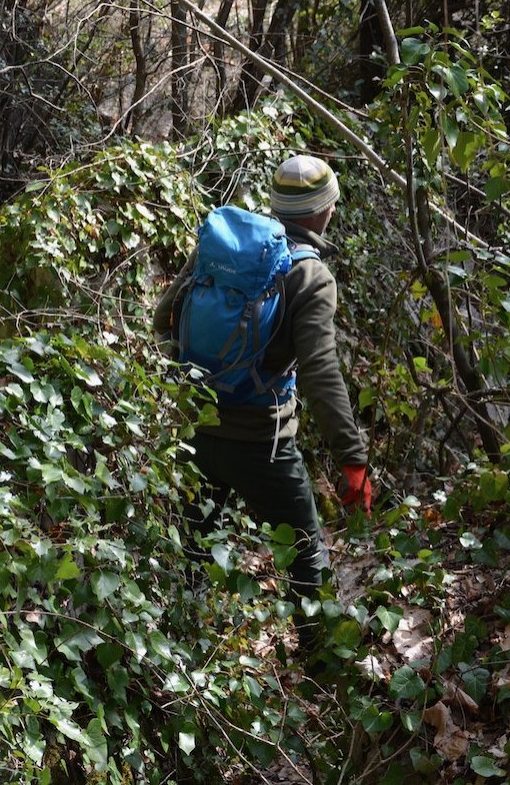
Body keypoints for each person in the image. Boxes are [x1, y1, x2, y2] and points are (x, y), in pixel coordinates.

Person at [153, 154, 371, 655]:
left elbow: (163, 318)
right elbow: (320, 374)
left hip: (197, 431)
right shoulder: (310, 276)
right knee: (305, 560)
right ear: (325, 211)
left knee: (191, 552)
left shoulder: (227, 243)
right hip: (262, 445)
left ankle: (176, 661)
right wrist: (352, 457)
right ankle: (324, 674)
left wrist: (196, 383)